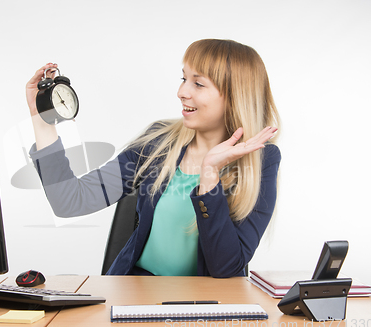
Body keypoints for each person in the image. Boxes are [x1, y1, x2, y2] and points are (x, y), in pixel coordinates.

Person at [26, 39, 281, 277]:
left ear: (236, 95)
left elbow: (226, 268)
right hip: (135, 291)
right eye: (183, 79)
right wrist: (43, 118)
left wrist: (210, 175)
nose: (182, 92)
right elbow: (70, 201)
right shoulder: (158, 142)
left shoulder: (261, 160)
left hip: (204, 308)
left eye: (198, 84)